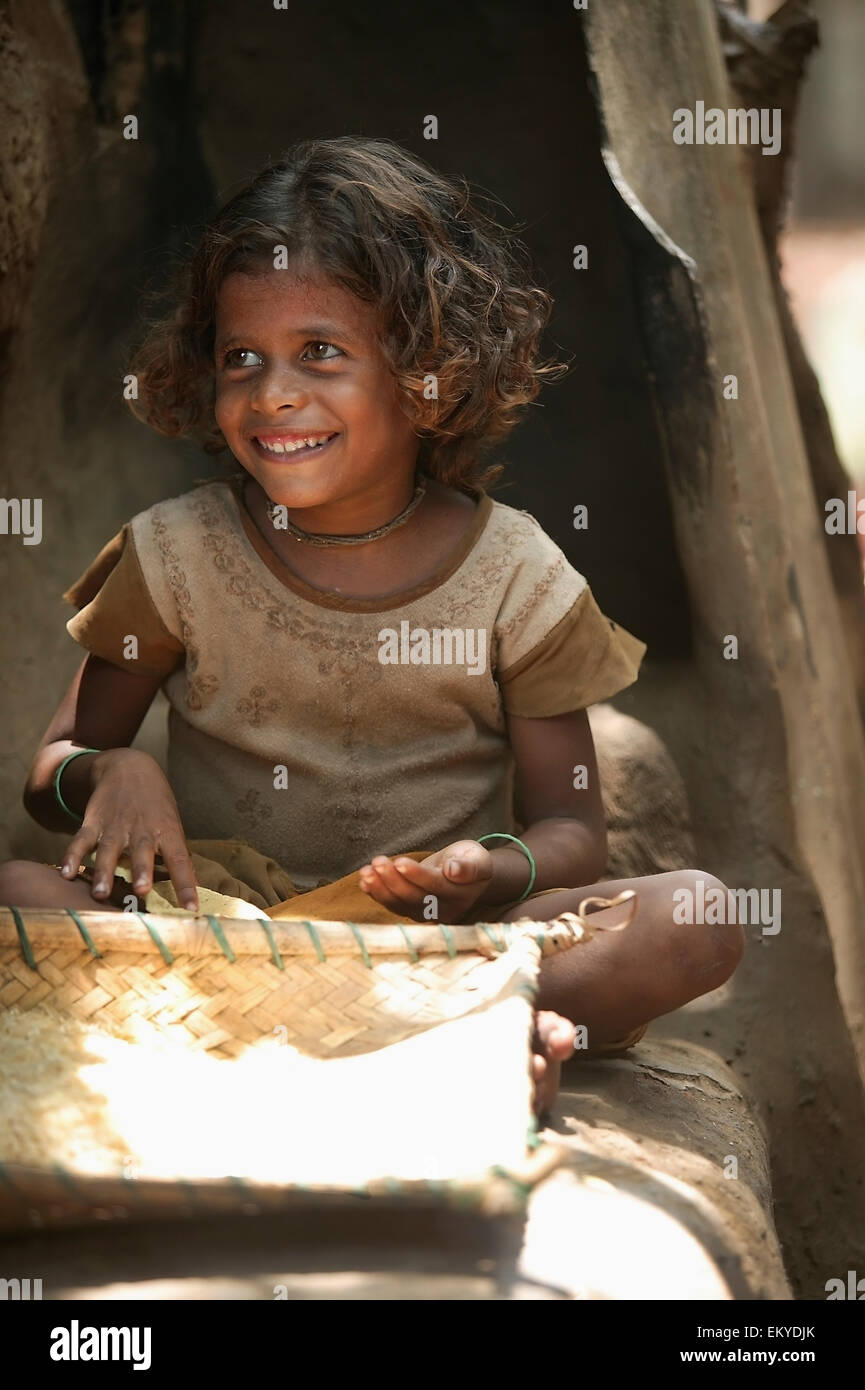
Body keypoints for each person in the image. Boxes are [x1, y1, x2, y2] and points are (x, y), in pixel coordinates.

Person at [0, 137, 743, 1112]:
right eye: (240, 358)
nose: (272, 393)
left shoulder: (516, 576)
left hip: (435, 938)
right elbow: (51, 776)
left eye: (320, 351)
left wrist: (490, 868)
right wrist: (115, 769)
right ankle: (447, 1049)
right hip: (223, 926)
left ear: (426, 367)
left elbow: (571, 833)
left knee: (692, 913)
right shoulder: (174, 554)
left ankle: (298, 1039)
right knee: (15, 892)